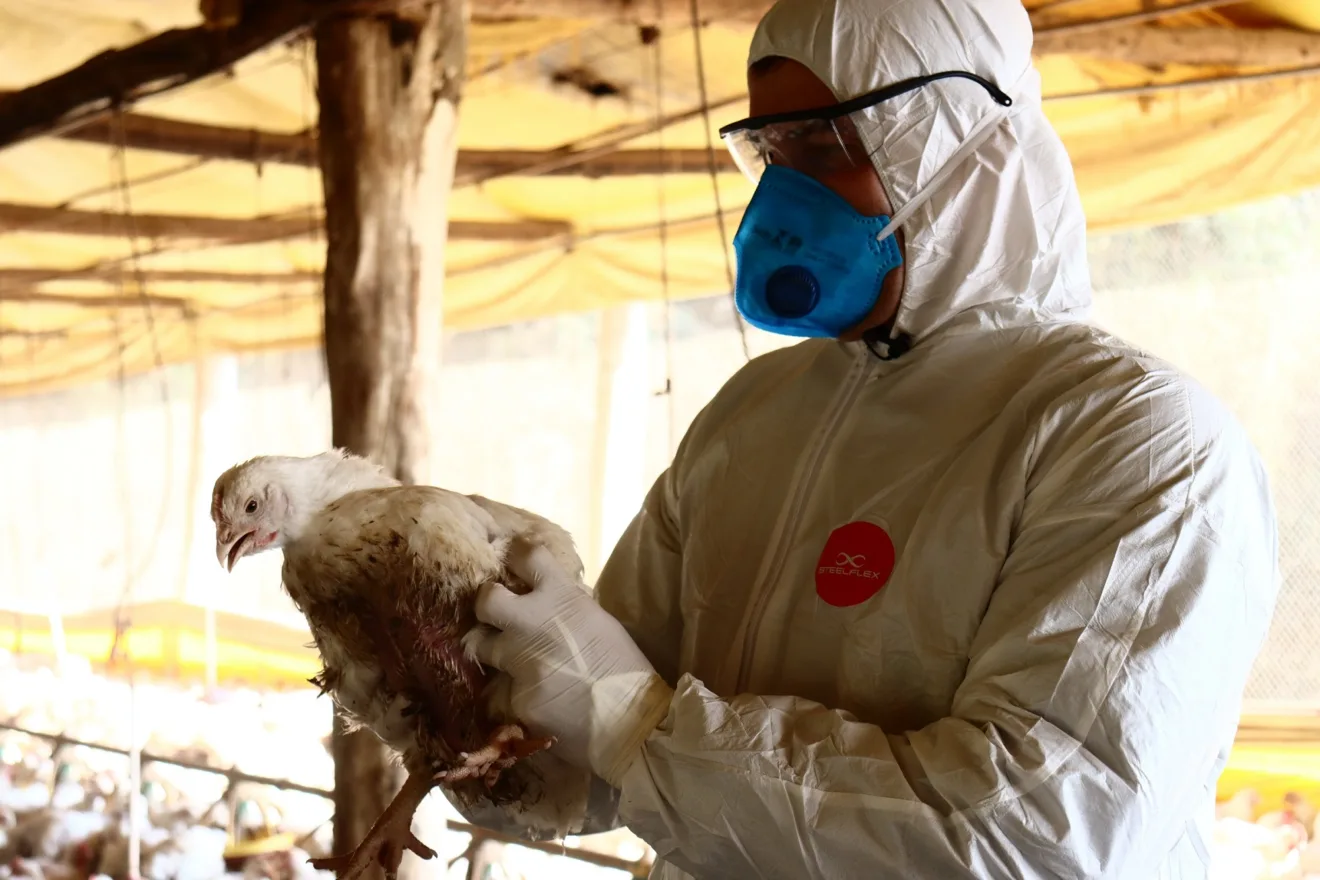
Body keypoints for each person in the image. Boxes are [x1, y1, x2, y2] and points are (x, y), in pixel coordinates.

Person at [468, 0, 1281, 876]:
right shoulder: (751, 417)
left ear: (966, 154)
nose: (783, 198)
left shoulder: (1134, 437)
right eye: (770, 154)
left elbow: (1034, 839)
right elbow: (595, 760)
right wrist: (473, 709)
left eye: (826, 148)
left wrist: (636, 726)